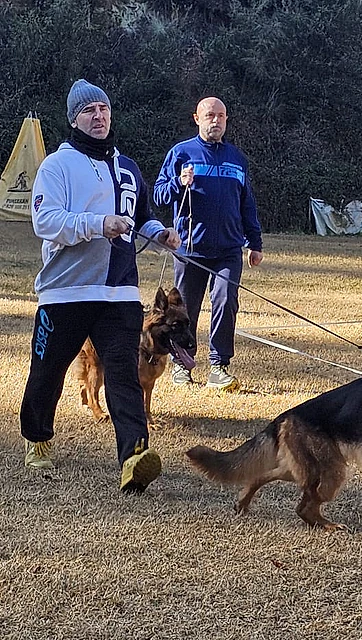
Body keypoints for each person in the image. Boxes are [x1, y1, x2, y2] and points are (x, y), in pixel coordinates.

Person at [20, 79, 181, 493]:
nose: (99, 117)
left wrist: (159, 233)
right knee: (48, 370)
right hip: (66, 292)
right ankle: (37, 439)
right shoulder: (58, 166)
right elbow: (46, 221)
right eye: (89, 111)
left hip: (120, 293)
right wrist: (98, 224)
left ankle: (133, 457)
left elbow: (141, 216)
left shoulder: (128, 168)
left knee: (124, 375)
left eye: (104, 110)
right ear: (75, 119)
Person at [154, 96, 263, 391]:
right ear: (197, 118)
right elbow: (159, 195)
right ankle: (182, 365)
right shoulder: (181, 153)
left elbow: (247, 203)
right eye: (210, 115)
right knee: (184, 311)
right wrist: (178, 182)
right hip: (190, 250)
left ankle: (219, 366)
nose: (216, 121)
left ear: (226, 120)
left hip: (228, 250)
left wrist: (255, 242)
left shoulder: (237, 159)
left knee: (226, 301)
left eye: (221, 116)